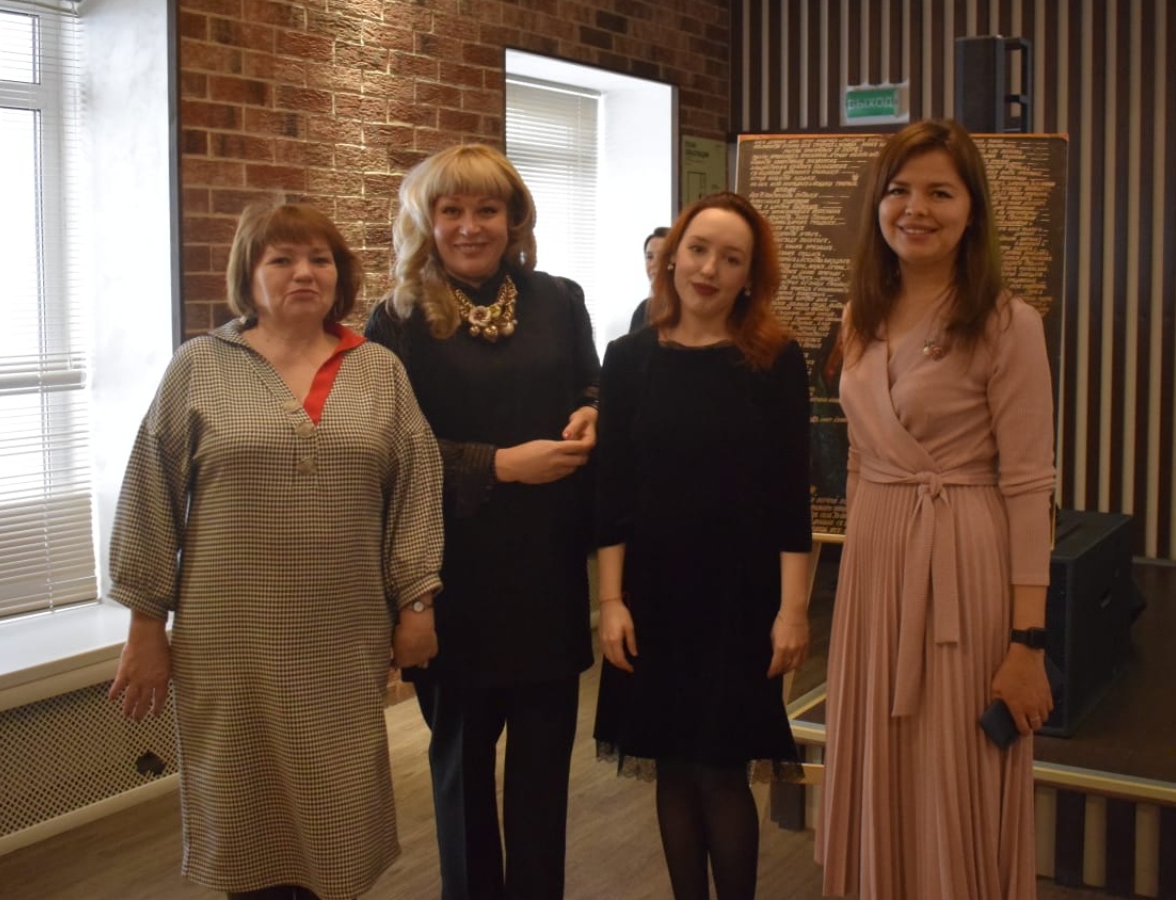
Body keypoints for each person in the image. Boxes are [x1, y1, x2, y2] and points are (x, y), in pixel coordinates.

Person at [106, 201, 444, 900]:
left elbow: (416, 488)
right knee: (246, 810)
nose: (304, 273)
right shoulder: (200, 367)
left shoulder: (378, 370)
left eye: (320, 259)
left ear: (340, 275)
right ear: (249, 275)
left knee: (339, 808)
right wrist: (145, 625)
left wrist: (416, 603)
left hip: (341, 636)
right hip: (230, 641)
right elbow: (150, 492)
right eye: (282, 259)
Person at [814, 119, 1057, 899]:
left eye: (940, 193)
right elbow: (859, 456)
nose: (916, 209)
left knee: (955, 756)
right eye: (899, 190)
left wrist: (1027, 642)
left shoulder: (1008, 324)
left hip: (961, 558)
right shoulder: (859, 317)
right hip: (875, 562)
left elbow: (1030, 486)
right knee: (879, 751)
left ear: (971, 209)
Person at [364, 143, 599, 900]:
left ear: (513, 218)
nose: (470, 226)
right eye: (452, 210)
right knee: (462, 771)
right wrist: (499, 465)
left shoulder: (559, 300)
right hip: (453, 579)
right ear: (426, 221)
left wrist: (594, 412)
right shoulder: (396, 320)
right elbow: (388, 451)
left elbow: (593, 385)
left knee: (543, 775)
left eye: (487, 209)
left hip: (548, 571)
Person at [592, 191, 812, 900]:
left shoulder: (775, 360)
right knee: (671, 766)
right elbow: (614, 491)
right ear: (671, 256)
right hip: (654, 595)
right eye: (698, 249)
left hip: (738, 597)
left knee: (720, 771)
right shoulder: (627, 358)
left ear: (750, 277)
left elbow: (790, 496)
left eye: (731, 258)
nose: (709, 269)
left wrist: (793, 611)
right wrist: (610, 602)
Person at [628, 225, 671, 332]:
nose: (653, 264)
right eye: (649, 257)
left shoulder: (689, 310)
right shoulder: (643, 310)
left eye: (663, 257)